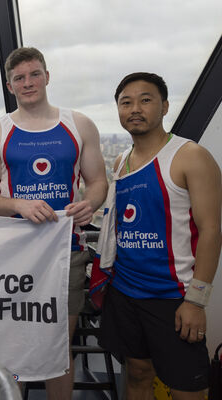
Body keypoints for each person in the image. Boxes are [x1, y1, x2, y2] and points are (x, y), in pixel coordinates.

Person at [0, 47, 108, 399]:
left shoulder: (78, 125)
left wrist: (90, 203)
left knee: (59, 345)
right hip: (12, 254)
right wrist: (19, 204)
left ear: (47, 76)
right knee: (11, 341)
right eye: (19, 78)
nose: (28, 82)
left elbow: (98, 182)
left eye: (34, 74)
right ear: (10, 86)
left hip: (67, 250)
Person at [99, 72, 221, 399]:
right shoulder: (122, 161)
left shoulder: (190, 156)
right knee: (137, 373)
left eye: (145, 100)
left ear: (165, 106)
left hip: (172, 297)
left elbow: (211, 231)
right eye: (126, 102)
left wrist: (196, 300)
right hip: (125, 292)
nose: (135, 108)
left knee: (187, 389)